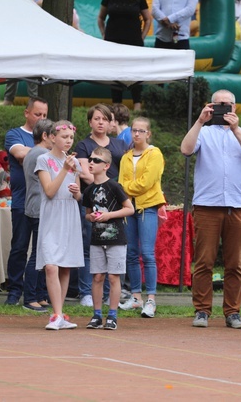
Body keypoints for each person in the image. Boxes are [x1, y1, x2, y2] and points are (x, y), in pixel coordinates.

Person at [180, 89, 241, 329]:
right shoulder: (203, 132)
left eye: (228, 105)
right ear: (211, 107)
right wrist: (199, 120)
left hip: (237, 206)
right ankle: (202, 311)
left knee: (234, 263)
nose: (224, 108)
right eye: (219, 105)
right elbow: (185, 149)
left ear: (235, 108)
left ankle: (233, 312)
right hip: (207, 205)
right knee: (204, 261)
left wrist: (235, 129)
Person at [74, 104, 130, 307]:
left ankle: (109, 295)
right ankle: (86, 292)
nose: (100, 122)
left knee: (113, 247)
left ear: (111, 123)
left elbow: (125, 173)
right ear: (90, 122)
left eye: (104, 119)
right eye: (96, 118)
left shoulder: (119, 144)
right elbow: (85, 173)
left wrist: (117, 193)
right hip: (93, 202)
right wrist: (105, 189)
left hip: (117, 205)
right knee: (90, 247)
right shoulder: (83, 145)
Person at [35, 121, 84, 330]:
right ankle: (56, 315)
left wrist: (76, 192)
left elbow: (78, 194)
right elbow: (49, 191)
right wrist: (65, 170)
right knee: (51, 265)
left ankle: (59, 313)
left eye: (71, 138)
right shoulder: (43, 160)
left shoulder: (74, 163)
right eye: (64, 137)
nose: (68, 141)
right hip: (52, 215)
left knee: (65, 266)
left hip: (69, 215)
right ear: (52, 137)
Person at [4, 97, 49, 306]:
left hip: (44, 201)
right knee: (20, 247)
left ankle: (38, 292)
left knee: (42, 248)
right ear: (26, 113)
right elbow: (20, 153)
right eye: (37, 114)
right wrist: (48, 150)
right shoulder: (15, 134)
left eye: (44, 115)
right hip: (22, 199)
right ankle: (14, 291)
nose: (41, 118)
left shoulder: (50, 138)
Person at [83, 147, 134, 330]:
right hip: (97, 239)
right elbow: (88, 214)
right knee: (97, 277)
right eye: (90, 159)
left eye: (96, 161)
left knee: (113, 277)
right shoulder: (89, 190)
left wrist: (108, 215)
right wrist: (94, 217)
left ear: (106, 166)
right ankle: (97, 315)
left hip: (116, 238)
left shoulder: (114, 186)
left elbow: (129, 208)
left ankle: (112, 315)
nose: (91, 163)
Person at [118, 117, 164, 317]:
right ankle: (136, 297)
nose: (136, 134)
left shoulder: (154, 154)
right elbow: (120, 182)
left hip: (148, 206)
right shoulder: (126, 156)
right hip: (129, 208)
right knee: (131, 253)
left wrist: (127, 189)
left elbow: (147, 182)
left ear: (148, 134)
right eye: (134, 130)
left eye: (141, 131)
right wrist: (125, 190)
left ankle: (151, 299)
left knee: (147, 253)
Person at [98, 0, 151, 110]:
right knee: (115, 70)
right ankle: (116, 105)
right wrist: (104, 34)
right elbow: (101, 18)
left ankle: (137, 105)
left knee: (136, 71)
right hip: (113, 40)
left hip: (133, 40)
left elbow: (148, 19)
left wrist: (142, 36)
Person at [20, 119, 55, 312]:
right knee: (38, 254)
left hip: (34, 206)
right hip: (40, 207)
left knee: (42, 253)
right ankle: (31, 297)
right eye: (54, 136)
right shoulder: (42, 154)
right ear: (45, 136)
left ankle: (40, 295)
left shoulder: (33, 152)